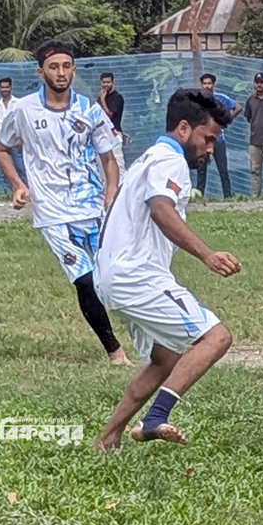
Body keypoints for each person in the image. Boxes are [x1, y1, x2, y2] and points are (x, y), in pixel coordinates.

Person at [93, 89, 238, 449]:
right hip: (136, 275)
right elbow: (161, 208)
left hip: (110, 276)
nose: (209, 149)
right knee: (216, 337)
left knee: (165, 359)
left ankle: (108, 438)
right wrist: (207, 254)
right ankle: (155, 419)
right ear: (185, 128)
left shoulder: (149, 157)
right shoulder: (170, 160)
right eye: (208, 139)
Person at [0, 40, 130, 366]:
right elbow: (1, 146)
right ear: (41, 71)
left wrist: (112, 193)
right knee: (83, 279)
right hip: (53, 214)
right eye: (54, 67)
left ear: (74, 69)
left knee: (111, 277)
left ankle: (154, 338)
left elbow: (108, 158)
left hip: (93, 207)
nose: (61, 72)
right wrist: (18, 185)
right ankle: (115, 352)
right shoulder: (23, 110)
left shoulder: (90, 110)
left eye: (66, 66)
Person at [196, 73, 241, 197]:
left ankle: (228, 196)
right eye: (204, 83)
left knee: (222, 169)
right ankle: (200, 196)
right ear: (201, 85)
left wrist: (226, 120)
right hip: (202, 140)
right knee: (201, 169)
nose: (207, 86)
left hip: (218, 139)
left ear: (213, 85)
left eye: (209, 83)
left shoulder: (221, 98)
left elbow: (237, 108)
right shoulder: (197, 100)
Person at [0, 77, 26, 189]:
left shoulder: (18, 103)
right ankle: (8, 193)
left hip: (15, 141)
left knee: (20, 168)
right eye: (2, 87)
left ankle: (25, 191)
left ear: (11, 88)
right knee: (5, 169)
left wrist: (21, 139)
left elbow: (23, 122)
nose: (5, 89)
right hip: (0, 142)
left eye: (7, 87)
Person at [98, 71, 126, 173]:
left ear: (113, 82)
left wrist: (103, 100)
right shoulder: (100, 98)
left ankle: (121, 186)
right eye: (103, 82)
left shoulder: (117, 97)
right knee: (102, 165)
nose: (105, 85)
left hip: (114, 133)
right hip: (101, 134)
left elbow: (109, 115)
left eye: (108, 82)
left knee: (118, 162)